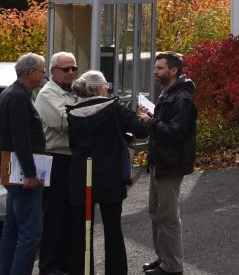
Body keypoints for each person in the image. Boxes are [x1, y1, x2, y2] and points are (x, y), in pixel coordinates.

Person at [67, 71, 149, 275]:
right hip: (110, 176)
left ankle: (83, 271)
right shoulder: (114, 108)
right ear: (98, 88)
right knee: (113, 230)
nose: (108, 88)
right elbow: (140, 130)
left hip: (81, 175)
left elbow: (73, 144)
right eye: (106, 85)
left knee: (82, 231)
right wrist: (144, 116)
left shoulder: (72, 112)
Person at [136, 52, 196, 275]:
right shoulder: (168, 93)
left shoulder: (182, 98)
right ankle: (163, 259)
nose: (155, 71)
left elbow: (176, 132)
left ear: (173, 71)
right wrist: (151, 117)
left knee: (168, 217)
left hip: (171, 164)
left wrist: (150, 122)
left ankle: (173, 267)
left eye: (159, 68)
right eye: (155, 68)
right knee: (156, 213)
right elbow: (166, 125)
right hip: (159, 162)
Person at [0, 53, 48, 275]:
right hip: (20, 171)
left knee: (13, 229)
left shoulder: (12, 93)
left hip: (11, 168)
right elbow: (21, 139)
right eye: (42, 72)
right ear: (30, 73)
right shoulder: (18, 97)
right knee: (30, 233)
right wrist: (30, 173)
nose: (43, 76)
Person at [35, 51, 79, 275]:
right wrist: (89, 114)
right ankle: (50, 266)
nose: (71, 72)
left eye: (74, 68)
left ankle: (68, 263)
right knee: (53, 215)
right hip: (55, 159)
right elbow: (64, 122)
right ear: (53, 71)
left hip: (73, 159)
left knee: (71, 214)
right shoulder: (47, 94)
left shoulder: (74, 92)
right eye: (66, 69)